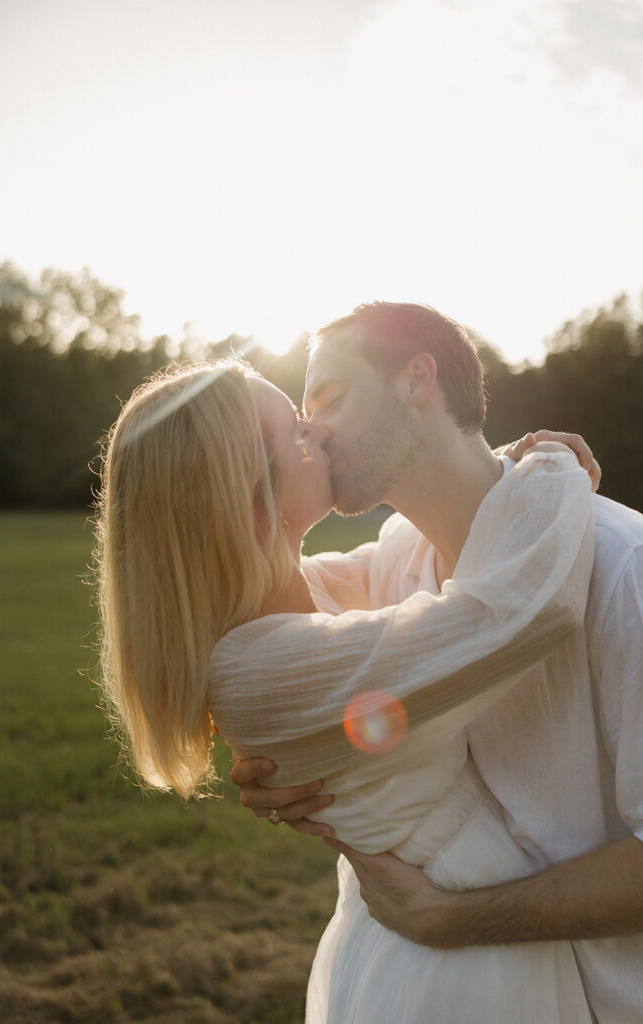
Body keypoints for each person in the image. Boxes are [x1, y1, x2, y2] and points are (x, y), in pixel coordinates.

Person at [95, 357, 597, 1022]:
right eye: (296, 434)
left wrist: (493, 465)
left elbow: (405, 550)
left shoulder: (291, 599)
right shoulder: (262, 666)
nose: (320, 434)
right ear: (248, 498)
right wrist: (554, 470)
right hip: (454, 957)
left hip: (451, 918)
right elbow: (522, 610)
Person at [233, 301, 643, 1024]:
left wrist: (449, 919)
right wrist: (278, 758)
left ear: (417, 379)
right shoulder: (398, 555)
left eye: (330, 399)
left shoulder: (630, 571)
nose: (311, 430)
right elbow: (262, 619)